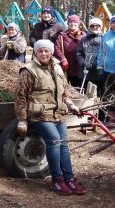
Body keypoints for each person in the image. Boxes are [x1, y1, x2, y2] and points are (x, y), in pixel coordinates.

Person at [15, 39, 85, 196]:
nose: (44, 54)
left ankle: (69, 178)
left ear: (51, 52)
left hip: (58, 113)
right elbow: (21, 97)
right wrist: (22, 119)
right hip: (40, 114)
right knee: (54, 140)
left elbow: (64, 91)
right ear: (36, 53)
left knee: (64, 144)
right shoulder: (28, 70)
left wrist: (71, 105)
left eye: (47, 51)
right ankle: (57, 180)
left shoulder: (58, 67)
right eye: (40, 51)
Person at [54, 14, 85, 89]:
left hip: (80, 67)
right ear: (68, 23)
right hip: (67, 66)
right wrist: (63, 58)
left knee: (79, 87)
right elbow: (56, 48)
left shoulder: (84, 35)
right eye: (71, 22)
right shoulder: (62, 36)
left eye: (75, 22)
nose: (73, 24)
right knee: (67, 87)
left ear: (78, 24)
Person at [76, 17, 105, 98]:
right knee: (84, 93)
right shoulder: (83, 39)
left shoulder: (103, 39)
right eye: (92, 26)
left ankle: (99, 110)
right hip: (84, 71)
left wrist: (94, 64)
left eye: (97, 26)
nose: (95, 27)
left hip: (98, 71)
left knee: (98, 93)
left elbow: (104, 53)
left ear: (100, 27)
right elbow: (78, 53)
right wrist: (83, 63)